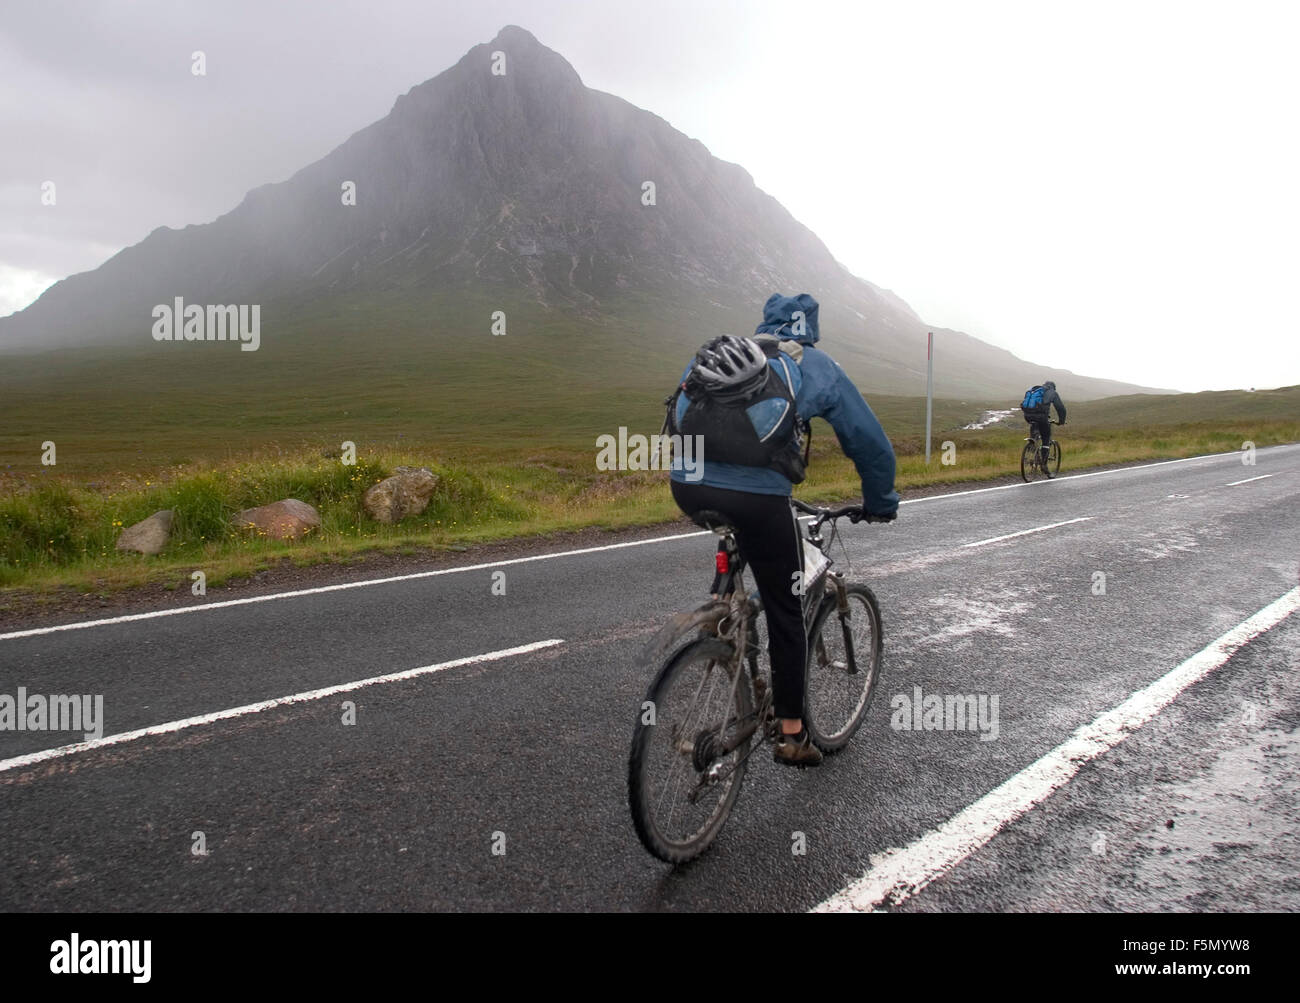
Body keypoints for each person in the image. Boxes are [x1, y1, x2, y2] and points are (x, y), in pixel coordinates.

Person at [668, 293, 898, 768]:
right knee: (785, 606)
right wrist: (880, 502)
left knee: (742, 538)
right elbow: (868, 442)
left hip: (686, 486)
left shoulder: (725, 353)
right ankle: (792, 735)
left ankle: (726, 608)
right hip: (757, 497)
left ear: (765, 322)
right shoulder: (813, 364)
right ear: (809, 328)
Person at [1022, 380, 1067, 468]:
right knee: (1046, 438)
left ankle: (1032, 445)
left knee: (1035, 427)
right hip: (1041, 418)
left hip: (1027, 416)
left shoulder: (1034, 390)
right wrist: (1061, 421)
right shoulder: (1052, 392)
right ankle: (1044, 464)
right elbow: (1061, 408)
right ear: (1053, 387)